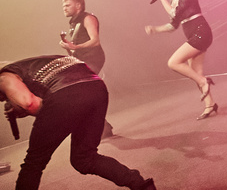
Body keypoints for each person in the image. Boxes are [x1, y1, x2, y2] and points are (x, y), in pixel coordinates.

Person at [1, 55, 156, 190]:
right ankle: (140, 185)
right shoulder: (33, 64)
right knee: (84, 158)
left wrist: (31, 111)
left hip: (66, 94)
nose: (2, 100)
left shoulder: (4, 76)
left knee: (33, 163)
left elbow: (30, 104)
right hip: (96, 87)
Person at [144, 0, 217, 120]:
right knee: (195, 72)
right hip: (194, 34)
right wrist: (156, 29)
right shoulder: (177, 0)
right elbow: (173, 25)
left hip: (200, 33)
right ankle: (210, 104)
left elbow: (174, 13)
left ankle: (204, 81)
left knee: (174, 62)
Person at [60, 0, 114, 137]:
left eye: (67, 5)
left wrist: (76, 47)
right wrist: (68, 46)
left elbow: (95, 41)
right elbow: (76, 46)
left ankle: (101, 127)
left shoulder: (88, 18)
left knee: (83, 92)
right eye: (63, 6)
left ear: (78, 6)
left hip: (93, 58)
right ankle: (104, 128)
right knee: (83, 93)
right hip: (82, 60)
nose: (64, 8)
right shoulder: (73, 22)